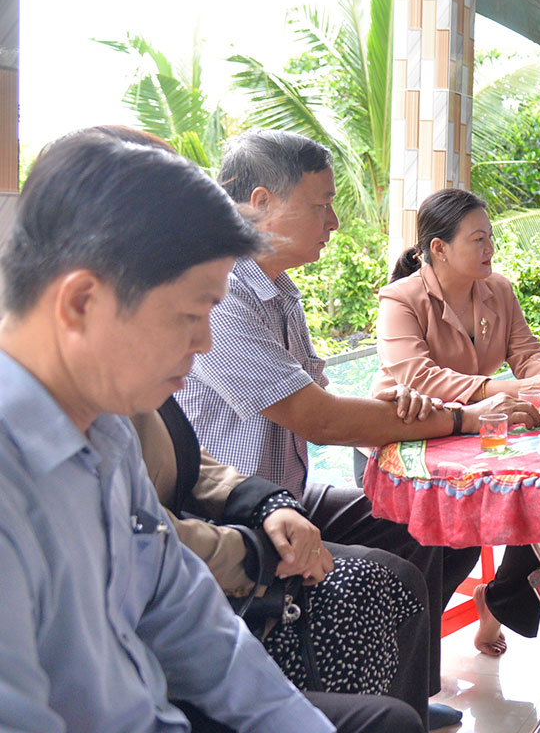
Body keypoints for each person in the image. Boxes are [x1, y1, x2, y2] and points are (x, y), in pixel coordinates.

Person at [0, 129, 422, 732]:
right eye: (189, 316)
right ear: (81, 303)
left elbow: (187, 616)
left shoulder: (107, 437)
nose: (203, 344)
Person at [175, 129, 537, 727]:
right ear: (261, 202)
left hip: (276, 488)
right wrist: (459, 417)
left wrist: (389, 406)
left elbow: (320, 397)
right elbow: (315, 418)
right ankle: (371, 706)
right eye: (321, 205)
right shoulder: (224, 294)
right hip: (232, 502)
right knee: (392, 562)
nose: (335, 221)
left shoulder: (278, 289)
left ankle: (409, 699)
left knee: (424, 516)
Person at [374, 187, 540, 657]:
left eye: (490, 237)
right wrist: (503, 389)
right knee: (456, 543)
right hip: (409, 436)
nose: (490, 249)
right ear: (439, 248)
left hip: (476, 430)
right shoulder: (401, 300)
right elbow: (419, 378)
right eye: (478, 239)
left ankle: (501, 600)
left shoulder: (499, 291)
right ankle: (410, 652)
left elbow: (525, 354)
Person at [133, 397, 437, 727]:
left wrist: (268, 503)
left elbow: (192, 462)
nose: (202, 344)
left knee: (401, 570)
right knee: (355, 589)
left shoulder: (125, 392)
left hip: (271, 503)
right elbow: (320, 417)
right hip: (219, 536)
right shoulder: (104, 412)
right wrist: (258, 553)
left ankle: (407, 696)